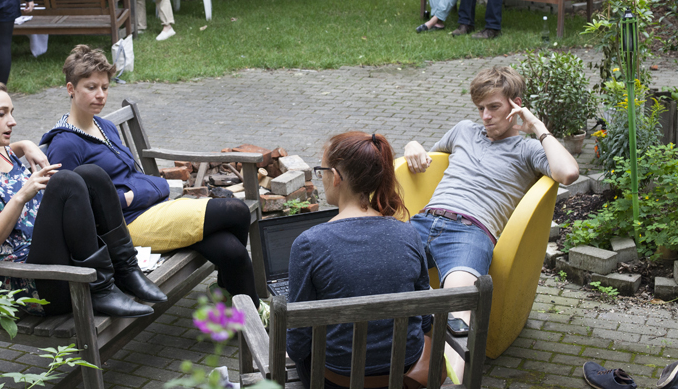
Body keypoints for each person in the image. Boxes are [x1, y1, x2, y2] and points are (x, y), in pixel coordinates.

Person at [40, 45, 264, 313]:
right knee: (236, 210)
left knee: (232, 252)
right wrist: (136, 195)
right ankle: (245, 310)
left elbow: (135, 177)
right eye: (91, 87)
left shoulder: (105, 126)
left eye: (105, 87)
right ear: (70, 89)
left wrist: (146, 191)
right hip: (128, 227)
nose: (100, 95)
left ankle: (237, 306)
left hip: (154, 210)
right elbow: (75, 209)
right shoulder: (66, 144)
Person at [0, 77, 167, 318]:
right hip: (26, 286)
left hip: (58, 266)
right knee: (65, 182)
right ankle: (101, 290)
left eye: (11, 112)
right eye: (1, 114)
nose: (12, 121)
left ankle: (126, 270)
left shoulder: (4, 154)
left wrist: (25, 144)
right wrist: (20, 198)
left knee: (91, 174)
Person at [403, 66, 578, 376]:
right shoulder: (463, 130)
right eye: (481, 108)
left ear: (516, 105)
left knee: (459, 308)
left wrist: (536, 125)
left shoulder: (528, 149)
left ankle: (453, 383)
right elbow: (428, 158)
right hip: (423, 220)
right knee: (369, 269)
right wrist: (411, 146)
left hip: (470, 233)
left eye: (494, 107)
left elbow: (568, 172)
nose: (485, 116)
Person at [287, 131, 433, 389]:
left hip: (338, 381)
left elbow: (298, 343)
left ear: (336, 178)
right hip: (404, 372)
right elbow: (425, 319)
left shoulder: (310, 243)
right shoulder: (409, 234)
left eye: (322, 170)